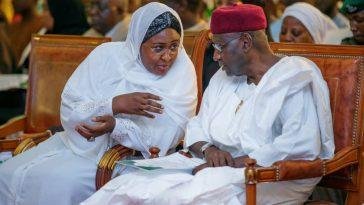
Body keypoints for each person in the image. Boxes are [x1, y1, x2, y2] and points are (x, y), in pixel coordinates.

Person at [81, 3, 335, 205]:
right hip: (214, 167)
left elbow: (300, 146)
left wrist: (232, 164)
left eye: (220, 46)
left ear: (246, 43)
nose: (215, 55)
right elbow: (198, 125)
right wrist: (209, 150)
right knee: (126, 185)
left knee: (171, 197)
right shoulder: (224, 77)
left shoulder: (294, 76)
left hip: (267, 179)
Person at [0, 2, 197, 204]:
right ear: (137, 42)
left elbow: (167, 138)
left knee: (57, 182)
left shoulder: (181, 72)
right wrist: (113, 104)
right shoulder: (107, 56)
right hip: (77, 144)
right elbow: (70, 104)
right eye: (158, 48)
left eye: (174, 46)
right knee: (7, 172)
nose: (168, 56)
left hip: (128, 160)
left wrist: (116, 125)